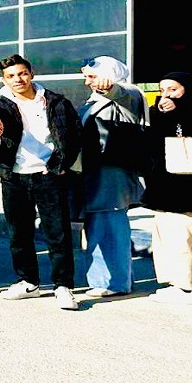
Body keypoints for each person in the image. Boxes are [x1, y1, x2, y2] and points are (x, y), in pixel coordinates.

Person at [0, 54, 82, 310]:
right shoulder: (0, 102)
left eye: (22, 74)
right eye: (11, 76)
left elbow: (74, 136)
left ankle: (64, 287)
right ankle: (28, 282)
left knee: (58, 234)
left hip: (48, 176)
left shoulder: (57, 102)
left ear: (31, 74)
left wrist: (60, 167)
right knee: (19, 234)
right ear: (4, 79)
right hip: (15, 176)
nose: (18, 79)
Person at [76, 56, 147, 299]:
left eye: (92, 76)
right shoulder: (93, 101)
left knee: (109, 227)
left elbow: (124, 96)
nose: (87, 82)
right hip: (97, 174)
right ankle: (118, 278)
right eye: (85, 77)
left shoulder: (129, 93)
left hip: (112, 174)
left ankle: (112, 282)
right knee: (100, 226)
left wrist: (110, 88)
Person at [142, 72, 192, 304]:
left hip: (180, 184)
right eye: (162, 89)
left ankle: (184, 288)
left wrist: (176, 108)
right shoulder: (175, 108)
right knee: (187, 234)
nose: (166, 95)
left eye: (173, 89)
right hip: (173, 182)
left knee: (178, 234)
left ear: (187, 88)